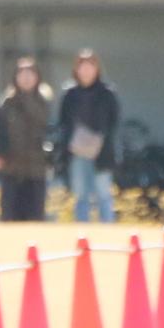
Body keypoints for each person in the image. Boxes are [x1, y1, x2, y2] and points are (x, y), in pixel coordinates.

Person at [54, 49, 121, 224]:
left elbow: (114, 122)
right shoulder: (70, 94)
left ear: (97, 69)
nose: (86, 71)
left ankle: (107, 228)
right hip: (77, 151)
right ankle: (82, 233)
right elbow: (63, 123)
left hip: (102, 152)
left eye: (90, 67)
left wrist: (100, 140)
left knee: (103, 194)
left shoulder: (107, 93)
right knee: (81, 195)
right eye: (82, 67)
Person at [0, 59, 54, 223]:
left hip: (36, 169)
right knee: (10, 217)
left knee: (35, 217)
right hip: (11, 168)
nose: (26, 77)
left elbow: (44, 123)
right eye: (22, 73)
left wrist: (26, 98)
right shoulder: (6, 102)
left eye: (30, 73)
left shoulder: (43, 101)